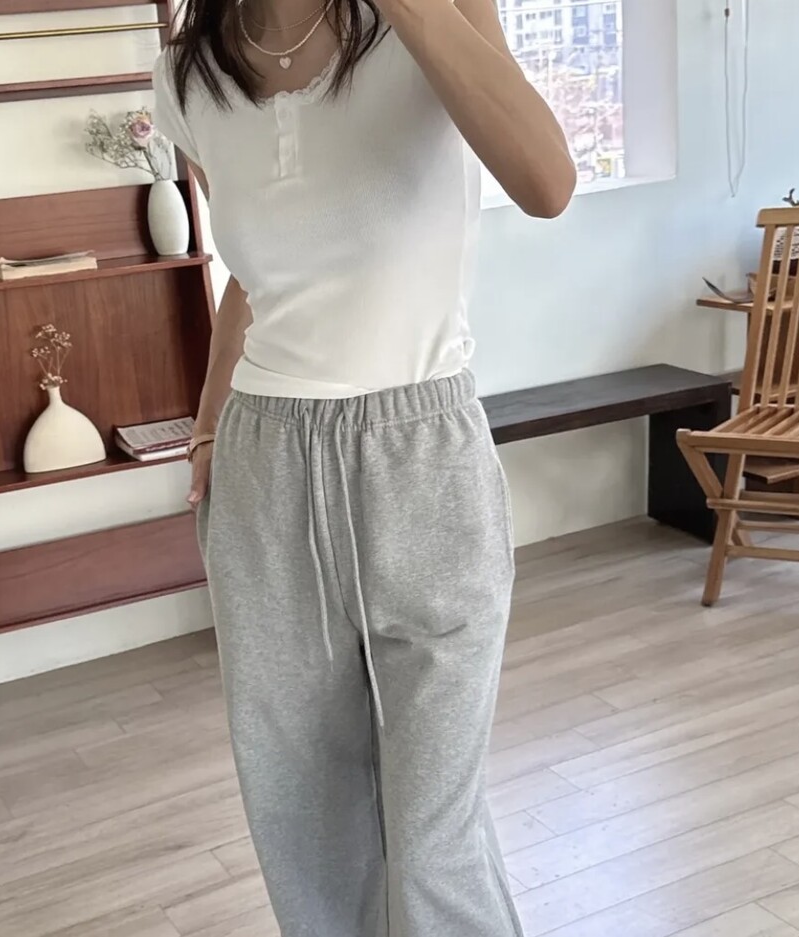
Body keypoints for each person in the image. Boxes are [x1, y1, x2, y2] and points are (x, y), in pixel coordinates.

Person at [152, 0, 574, 931]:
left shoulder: (440, 14)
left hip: (422, 452)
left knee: (435, 832)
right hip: (266, 464)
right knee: (304, 816)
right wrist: (210, 425)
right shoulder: (188, 73)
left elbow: (547, 183)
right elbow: (253, 277)